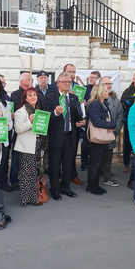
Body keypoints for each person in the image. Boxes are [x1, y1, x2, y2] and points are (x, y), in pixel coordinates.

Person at [42, 72, 85, 200]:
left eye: (69, 82)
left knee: (68, 164)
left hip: (70, 136)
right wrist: (55, 112)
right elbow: (44, 117)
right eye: (64, 82)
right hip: (56, 136)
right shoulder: (50, 98)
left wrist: (82, 121)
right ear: (58, 84)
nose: (67, 84)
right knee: (54, 165)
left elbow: (78, 115)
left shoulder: (74, 98)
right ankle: (55, 189)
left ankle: (66, 188)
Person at [14, 87, 43, 206]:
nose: (33, 97)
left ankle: (33, 197)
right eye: (30, 95)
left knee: (33, 172)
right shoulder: (20, 112)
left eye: (34, 95)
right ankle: (26, 199)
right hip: (26, 146)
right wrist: (30, 122)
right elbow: (18, 129)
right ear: (25, 98)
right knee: (27, 174)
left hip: (36, 144)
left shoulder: (39, 110)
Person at [86, 84, 116, 195]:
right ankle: (91, 185)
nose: (108, 92)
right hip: (97, 138)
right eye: (105, 91)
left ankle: (96, 184)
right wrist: (111, 125)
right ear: (99, 92)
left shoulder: (104, 104)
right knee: (95, 162)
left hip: (103, 138)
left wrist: (111, 124)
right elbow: (96, 121)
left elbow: (108, 118)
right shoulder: (95, 104)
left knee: (100, 162)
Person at [99, 77, 123, 187]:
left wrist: (116, 130)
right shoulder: (95, 100)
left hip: (111, 134)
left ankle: (107, 177)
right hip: (98, 135)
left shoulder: (115, 100)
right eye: (106, 84)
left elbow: (119, 116)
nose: (108, 86)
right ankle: (97, 174)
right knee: (97, 156)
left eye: (110, 83)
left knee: (108, 156)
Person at [9, 72, 31, 191]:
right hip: (20, 130)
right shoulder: (15, 94)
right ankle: (14, 180)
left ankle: (26, 179)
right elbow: (17, 107)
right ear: (22, 81)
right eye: (29, 79)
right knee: (16, 156)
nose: (31, 81)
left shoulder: (33, 92)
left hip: (31, 130)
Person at [121, 71, 135, 173]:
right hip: (130, 121)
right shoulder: (127, 91)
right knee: (128, 143)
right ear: (133, 79)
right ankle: (126, 163)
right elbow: (122, 104)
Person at [80, 70, 101, 171]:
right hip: (86, 119)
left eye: (93, 77)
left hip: (97, 120)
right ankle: (84, 162)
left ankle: (93, 164)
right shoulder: (84, 89)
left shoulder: (101, 89)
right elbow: (78, 101)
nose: (91, 79)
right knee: (85, 143)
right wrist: (82, 102)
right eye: (90, 77)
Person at [0, 74, 13, 192]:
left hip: (5, 133)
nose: (1, 85)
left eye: (3, 82)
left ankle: (3, 181)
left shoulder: (7, 98)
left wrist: (11, 117)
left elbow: (10, 115)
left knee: (4, 158)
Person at [35, 70, 49, 174]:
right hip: (39, 121)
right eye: (41, 78)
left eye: (45, 78)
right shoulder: (34, 91)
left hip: (50, 122)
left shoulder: (52, 90)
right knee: (38, 145)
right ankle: (37, 166)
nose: (43, 80)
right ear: (37, 79)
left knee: (48, 146)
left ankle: (47, 166)